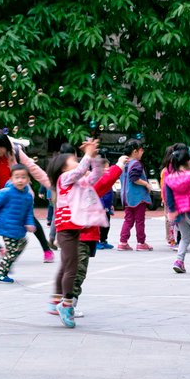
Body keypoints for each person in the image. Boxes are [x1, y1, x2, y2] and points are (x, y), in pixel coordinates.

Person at [0, 130, 55, 263]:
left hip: (18, 192)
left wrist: (50, 186)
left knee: (31, 220)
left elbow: (33, 169)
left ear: (6, 145)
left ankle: (46, 250)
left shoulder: (17, 153)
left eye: (1, 146)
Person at [46, 139, 102, 328]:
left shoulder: (79, 182)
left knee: (67, 265)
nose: (77, 162)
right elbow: (79, 171)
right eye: (73, 160)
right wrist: (88, 153)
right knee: (72, 267)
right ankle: (66, 304)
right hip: (66, 230)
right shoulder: (65, 179)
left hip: (74, 228)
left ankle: (56, 300)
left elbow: (96, 174)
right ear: (63, 168)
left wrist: (93, 157)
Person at [68, 155, 128, 318]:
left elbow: (103, 179)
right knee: (78, 271)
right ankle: (69, 304)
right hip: (80, 236)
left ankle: (64, 302)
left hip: (76, 236)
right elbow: (105, 181)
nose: (86, 172)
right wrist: (119, 165)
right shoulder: (82, 188)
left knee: (72, 271)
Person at [0, 164, 36, 283]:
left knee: (22, 243)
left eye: (23, 177)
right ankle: (0, 274)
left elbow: (29, 213)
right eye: (17, 177)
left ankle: (7, 261)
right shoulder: (5, 193)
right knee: (12, 250)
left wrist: (30, 223)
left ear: (28, 179)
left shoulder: (28, 196)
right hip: (7, 227)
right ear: (11, 179)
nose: (20, 180)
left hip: (19, 229)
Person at [118, 140, 153, 251]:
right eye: (141, 150)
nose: (142, 153)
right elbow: (134, 178)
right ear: (135, 151)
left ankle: (123, 242)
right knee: (140, 220)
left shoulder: (123, 164)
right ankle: (141, 242)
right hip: (138, 198)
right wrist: (146, 184)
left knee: (128, 220)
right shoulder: (136, 164)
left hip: (126, 197)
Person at [96, 158, 116, 250]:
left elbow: (109, 193)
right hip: (100, 207)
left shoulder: (107, 179)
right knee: (99, 225)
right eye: (106, 168)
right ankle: (96, 242)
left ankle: (103, 240)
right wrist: (102, 206)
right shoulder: (99, 179)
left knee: (107, 224)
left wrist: (110, 204)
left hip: (107, 206)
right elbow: (99, 194)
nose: (108, 169)